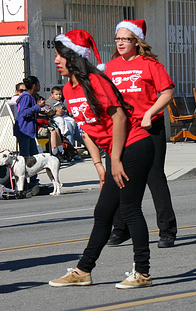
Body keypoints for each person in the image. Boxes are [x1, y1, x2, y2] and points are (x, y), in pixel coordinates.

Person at [49, 29, 155, 289]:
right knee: (103, 212)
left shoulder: (97, 81)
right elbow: (87, 130)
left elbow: (119, 118)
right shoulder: (68, 89)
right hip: (116, 151)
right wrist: (100, 165)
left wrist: (115, 159)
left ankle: (142, 273)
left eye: (60, 56)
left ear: (74, 57)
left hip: (135, 146)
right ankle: (83, 271)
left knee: (129, 209)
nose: (56, 61)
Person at [104, 20, 178, 248]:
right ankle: (121, 228)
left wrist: (150, 112)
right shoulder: (110, 67)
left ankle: (167, 230)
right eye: (118, 39)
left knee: (154, 178)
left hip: (148, 128)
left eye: (126, 39)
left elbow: (167, 92)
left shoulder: (150, 64)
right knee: (117, 178)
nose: (121, 43)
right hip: (120, 131)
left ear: (136, 41)